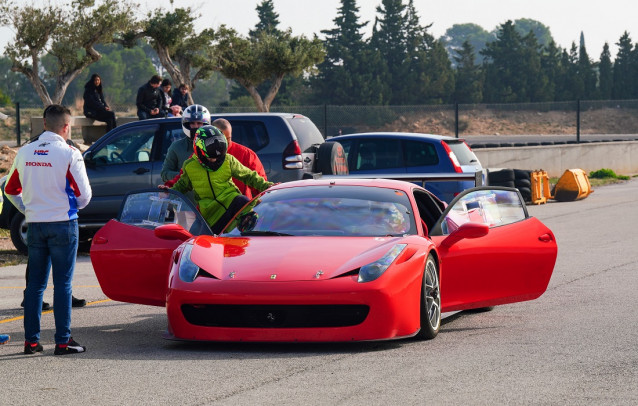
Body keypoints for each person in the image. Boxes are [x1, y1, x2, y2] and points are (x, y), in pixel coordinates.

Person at [4, 104, 92, 356]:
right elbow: (85, 196)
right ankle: (63, 342)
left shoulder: (25, 152)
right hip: (63, 224)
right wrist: (65, 208)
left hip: (35, 224)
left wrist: (29, 208)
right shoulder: (69, 153)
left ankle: (31, 342)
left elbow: (10, 189)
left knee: (35, 285)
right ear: (67, 127)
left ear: (44, 124)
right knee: (62, 285)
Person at [167, 125, 273, 234]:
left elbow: (248, 176)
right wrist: (168, 191)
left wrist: (267, 186)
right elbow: (182, 185)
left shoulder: (229, 160)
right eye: (211, 157)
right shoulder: (190, 166)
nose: (215, 160)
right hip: (210, 215)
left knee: (242, 200)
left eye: (218, 157)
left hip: (231, 203)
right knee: (194, 239)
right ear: (199, 151)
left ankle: (249, 226)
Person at [212, 118, 267, 200]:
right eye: (221, 139)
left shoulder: (246, 154)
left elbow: (261, 188)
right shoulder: (199, 155)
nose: (225, 143)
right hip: (211, 210)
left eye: (228, 138)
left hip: (241, 209)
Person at [161, 104, 211, 183]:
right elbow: (164, 174)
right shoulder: (176, 147)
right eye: (192, 123)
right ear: (187, 124)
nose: (196, 127)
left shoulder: (213, 145)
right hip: (184, 194)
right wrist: (184, 175)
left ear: (205, 124)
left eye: (199, 123)